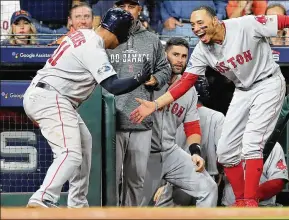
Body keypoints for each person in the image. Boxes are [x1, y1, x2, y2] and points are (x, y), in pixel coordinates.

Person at [130, 5, 289, 207]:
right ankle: (242, 200)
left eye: (200, 22)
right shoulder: (203, 50)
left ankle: (249, 201)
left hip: (268, 82)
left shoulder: (245, 25)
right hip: (242, 89)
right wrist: (155, 104)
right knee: (225, 152)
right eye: (192, 25)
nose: (195, 28)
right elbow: (185, 82)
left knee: (251, 143)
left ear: (215, 20)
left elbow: (285, 20)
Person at [23, 8, 151, 208]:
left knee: (83, 144)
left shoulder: (84, 34)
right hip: (52, 96)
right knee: (69, 152)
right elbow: (113, 86)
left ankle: (77, 204)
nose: (120, 43)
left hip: (49, 96)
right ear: (118, 33)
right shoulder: (94, 47)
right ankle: (43, 198)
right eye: (122, 37)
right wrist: (139, 78)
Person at [106, 0, 171, 207]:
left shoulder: (152, 39)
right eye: (121, 6)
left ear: (139, 10)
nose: (126, 11)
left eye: (131, 6)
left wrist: (155, 79)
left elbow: (165, 69)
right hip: (112, 121)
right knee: (111, 180)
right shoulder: (107, 38)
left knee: (136, 181)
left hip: (141, 120)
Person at [141, 37, 218, 207]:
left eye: (184, 56)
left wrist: (195, 152)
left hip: (170, 151)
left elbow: (192, 126)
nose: (179, 60)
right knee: (137, 206)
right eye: (175, 54)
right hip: (144, 154)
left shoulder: (188, 90)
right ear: (164, 55)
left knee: (208, 188)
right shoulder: (147, 82)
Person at [153, 76, 225, 207]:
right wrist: (220, 171)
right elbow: (223, 153)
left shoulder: (176, 114)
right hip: (203, 175)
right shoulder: (217, 117)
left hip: (176, 182)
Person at [222, 142, 289, 207]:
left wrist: (250, 198)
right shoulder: (229, 142)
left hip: (261, 207)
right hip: (229, 207)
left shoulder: (272, 144)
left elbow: (278, 180)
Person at [159, 0, 227, 45]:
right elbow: (156, 2)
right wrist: (165, 17)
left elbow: (221, 2)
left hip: (206, 27)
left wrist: (217, 19)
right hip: (174, 28)